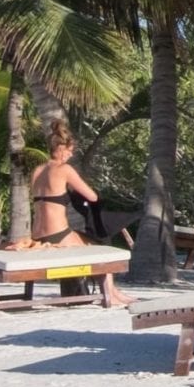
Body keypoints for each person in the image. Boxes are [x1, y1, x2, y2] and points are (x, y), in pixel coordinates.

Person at [15, 128, 131, 305]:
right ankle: (111, 295)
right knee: (102, 248)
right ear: (61, 149)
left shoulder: (37, 170)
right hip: (58, 236)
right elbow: (92, 196)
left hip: (38, 235)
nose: (70, 155)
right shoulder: (64, 169)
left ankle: (114, 293)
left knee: (87, 240)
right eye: (69, 151)